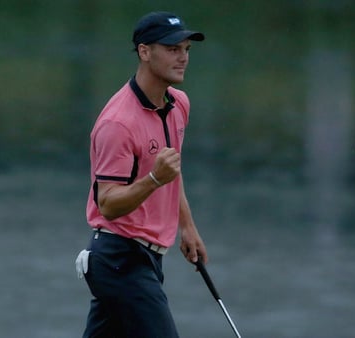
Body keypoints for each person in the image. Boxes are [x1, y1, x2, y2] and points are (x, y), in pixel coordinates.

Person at [74, 11, 208, 338]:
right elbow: (107, 203)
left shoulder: (179, 104)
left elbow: (171, 171)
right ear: (145, 52)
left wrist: (187, 226)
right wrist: (153, 180)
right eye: (173, 49)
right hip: (119, 259)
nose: (183, 58)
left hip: (147, 258)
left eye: (187, 49)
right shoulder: (117, 123)